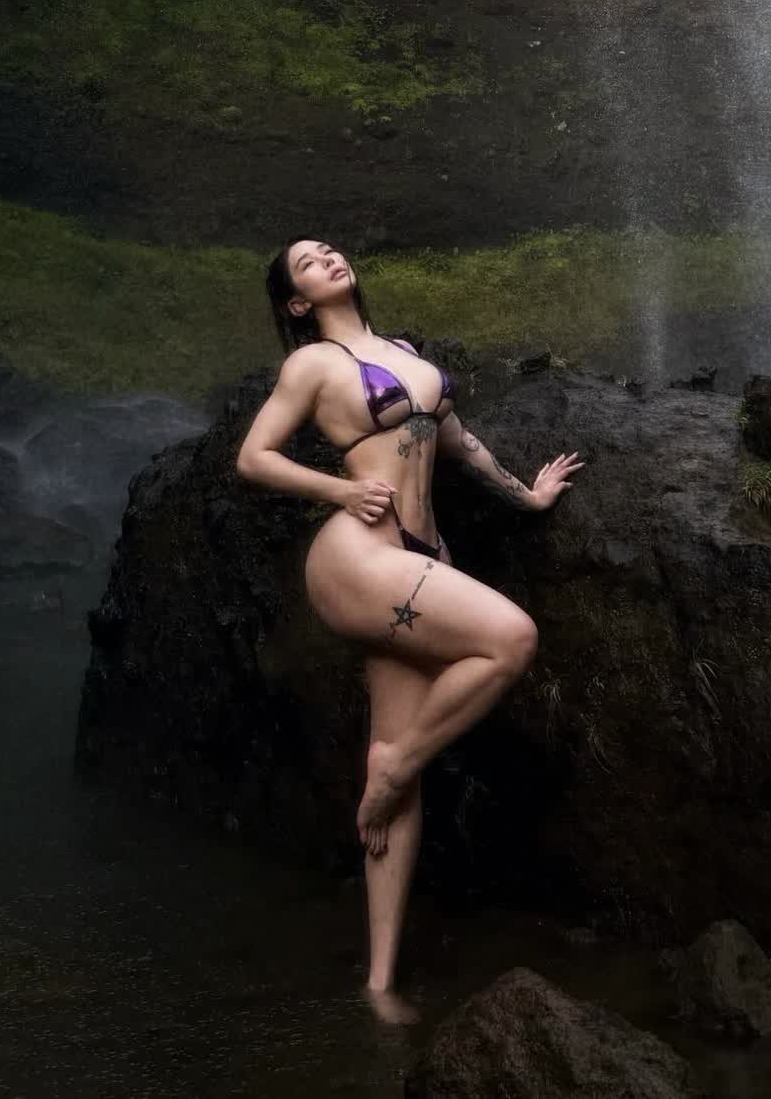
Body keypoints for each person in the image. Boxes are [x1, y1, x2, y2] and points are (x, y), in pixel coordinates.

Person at [234, 235, 584, 1023]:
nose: (328, 258)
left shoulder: (403, 353)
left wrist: (526, 497)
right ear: (297, 302)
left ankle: (380, 983)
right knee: (511, 639)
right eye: (308, 263)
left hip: (421, 559)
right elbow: (253, 457)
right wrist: (337, 491)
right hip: (360, 558)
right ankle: (393, 768)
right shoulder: (313, 365)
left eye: (328, 249)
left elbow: (455, 444)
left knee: (399, 772)